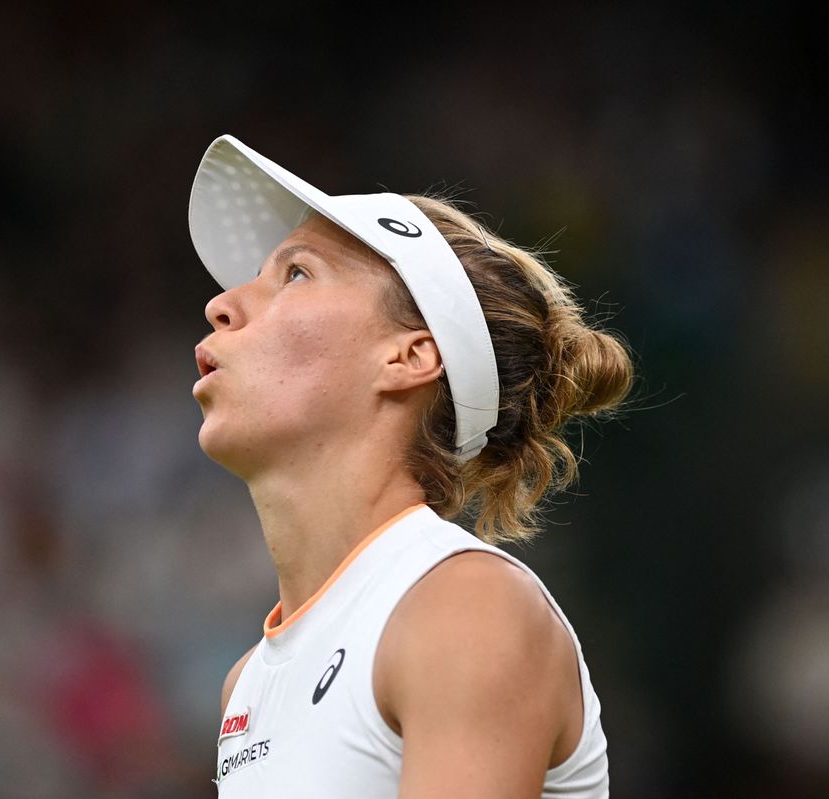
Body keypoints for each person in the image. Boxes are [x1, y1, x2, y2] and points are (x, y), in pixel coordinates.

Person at [188, 135, 633, 798]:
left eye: (297, 273)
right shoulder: (246, 684)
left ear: (409, 357)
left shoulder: (464, 605)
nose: (221, 305)